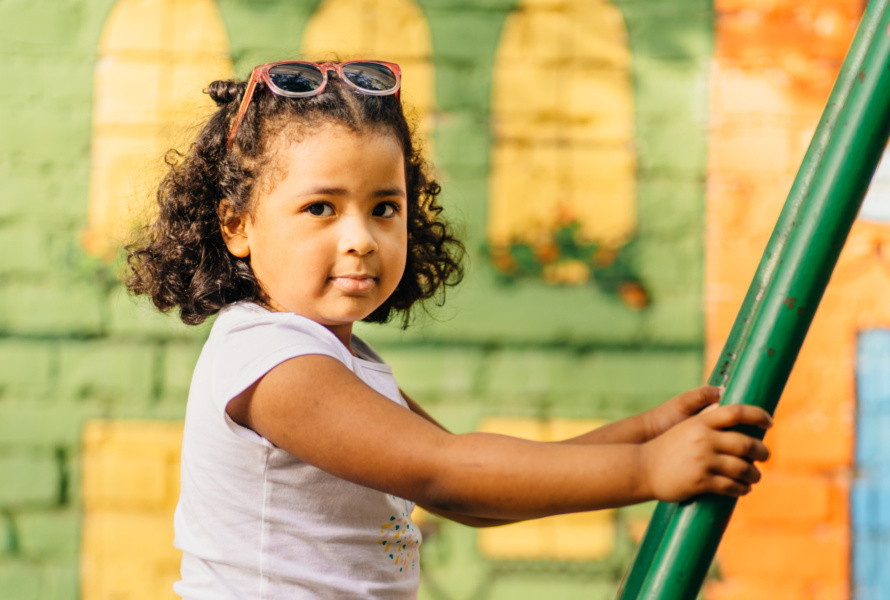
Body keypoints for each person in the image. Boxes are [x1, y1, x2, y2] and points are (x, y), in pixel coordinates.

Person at [126, 60, 772, 599]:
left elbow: (470, 496)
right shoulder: (275, 365)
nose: (360, 239)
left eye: (385, 208)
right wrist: (645, 470)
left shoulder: (335, 359)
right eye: (320, 208)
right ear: (237, 225)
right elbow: (447, 472)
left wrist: (641, 435)